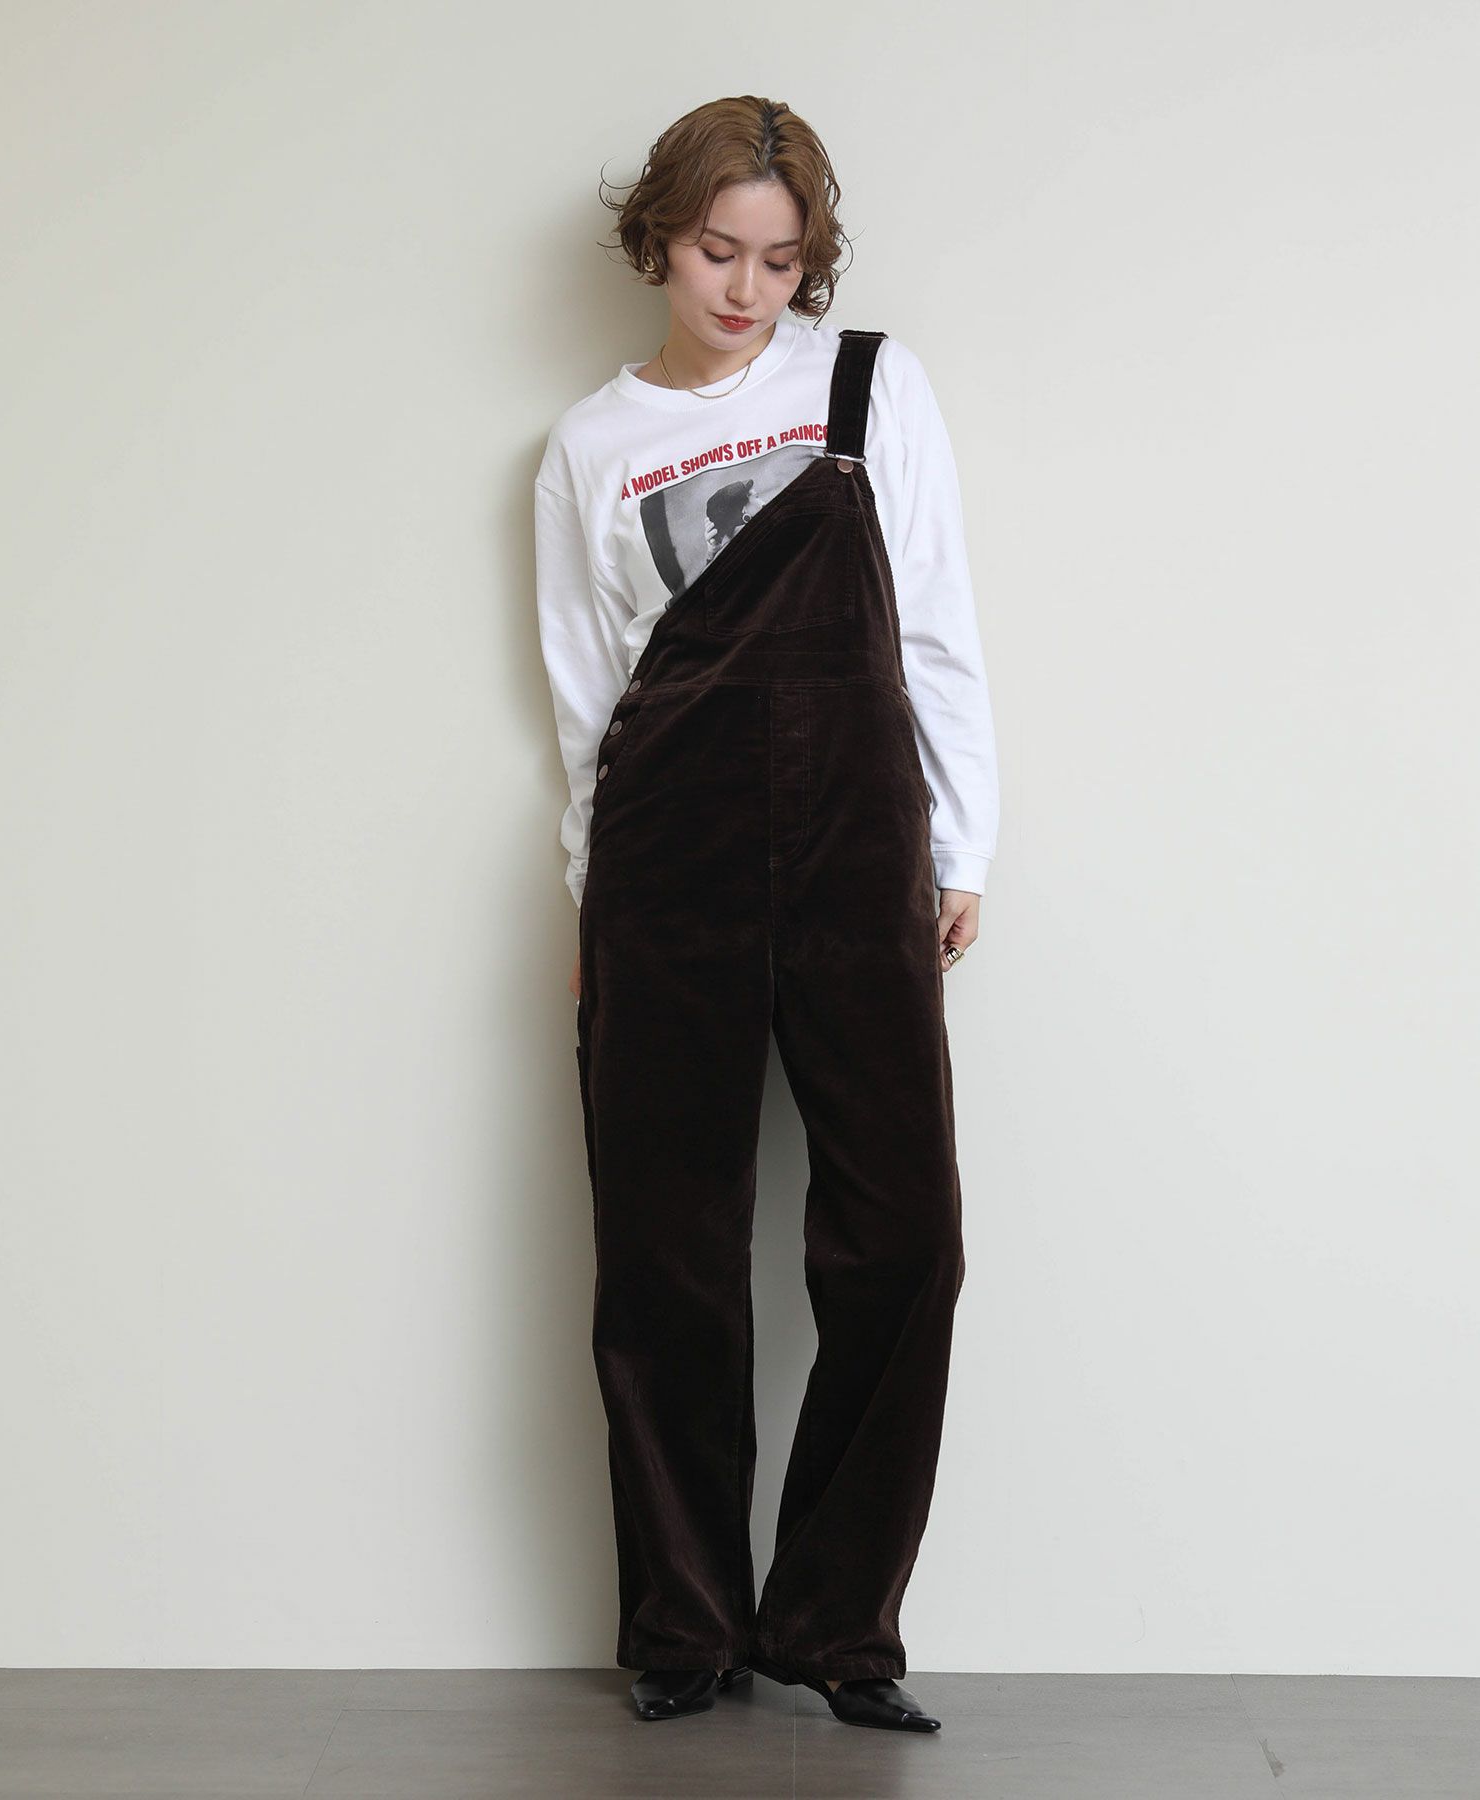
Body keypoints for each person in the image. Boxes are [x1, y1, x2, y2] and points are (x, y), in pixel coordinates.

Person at [533, 96, 999, 1734]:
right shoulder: (590, 446)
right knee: (666, 1247)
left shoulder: (869, 384)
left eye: (781, 260)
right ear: (657, 241)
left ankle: (839, 1629)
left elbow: (934, 626)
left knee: (904, 1238)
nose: (746, 291)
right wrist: (592, 901)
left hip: (860, 846)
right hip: (665, 857)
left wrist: (960, 846)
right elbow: (590, 702)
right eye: (717, 252)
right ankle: (684, 1624)